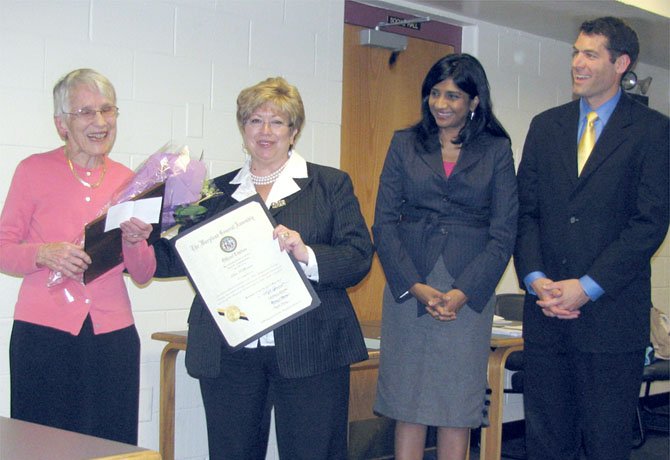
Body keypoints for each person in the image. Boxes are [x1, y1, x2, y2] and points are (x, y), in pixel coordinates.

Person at [154, 76, 373, 459]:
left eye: (278, 121)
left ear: (294, 130)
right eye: (255, 120)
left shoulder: (330, 184)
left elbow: (358, 257)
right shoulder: (213, 193)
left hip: (311, 349)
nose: (266, 131)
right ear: (242, 129)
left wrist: (306, 253)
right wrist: (141, 231)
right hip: (231, 354)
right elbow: (173, 258)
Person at [514, 17, 669, 460]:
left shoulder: (653, 131)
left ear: (621, 63)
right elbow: (526, 213)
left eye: (590, 54)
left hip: (611, 320)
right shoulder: (546, 126)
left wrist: (587, 287)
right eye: (575, 52)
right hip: (546, 316)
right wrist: (535, 276)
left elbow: (648, 224)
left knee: (605, 442)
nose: (577, 64)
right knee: (546, 442)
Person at [372, 54, 518, 460]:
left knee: (457, 405)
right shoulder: (404, 143)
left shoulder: (496, 150)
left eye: (453, 95)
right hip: (410, 284)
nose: (441, 103)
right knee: (408, 402)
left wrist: (463, 291)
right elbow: (383, 223)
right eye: (435, 93)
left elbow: (504, 231)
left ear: (474, 102)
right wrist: (414, 286)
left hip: (468, 291)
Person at [0, 68, 156, 444]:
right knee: (42, 447)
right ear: (61, 124)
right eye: (86, 112)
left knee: (112, 446)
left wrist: (137, 241)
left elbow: (143, 274)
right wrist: (44, 253)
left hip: (113, 337)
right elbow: (3, 249)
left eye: (107, 110)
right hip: (44, 337)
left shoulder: (129, 181)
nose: (100, 122)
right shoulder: (33, 170)